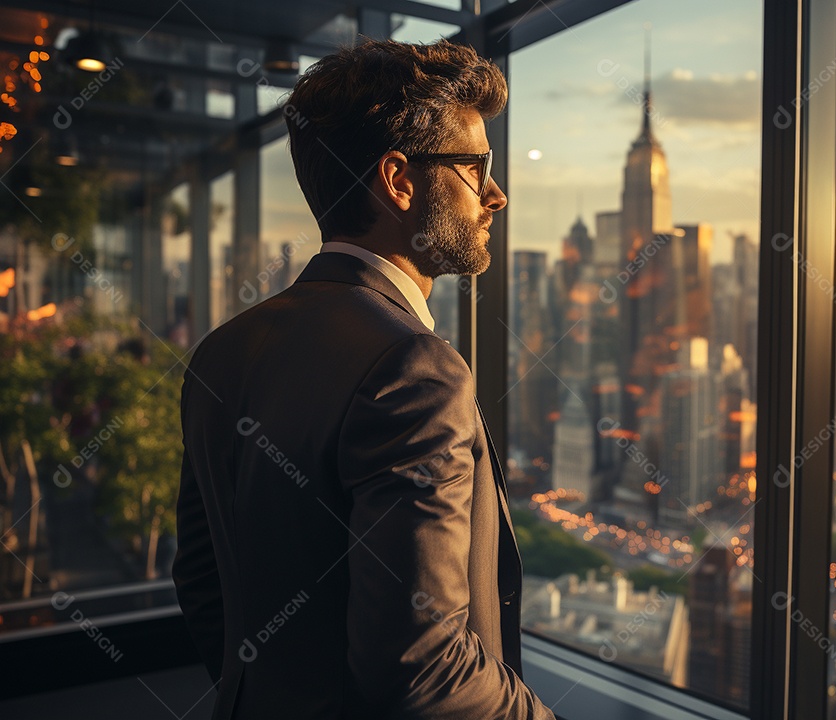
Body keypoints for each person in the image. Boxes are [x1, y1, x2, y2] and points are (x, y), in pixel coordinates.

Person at [172, 39, 557, 719]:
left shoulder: (222, 351)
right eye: (474, 167)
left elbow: (204, 587)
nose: (495, 195)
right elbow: (422, 664)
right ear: (399, 181)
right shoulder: (415, 369)